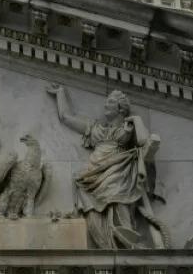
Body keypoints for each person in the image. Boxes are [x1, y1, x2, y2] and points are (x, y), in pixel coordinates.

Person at [47, 84, 167, 249]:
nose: (105, 104)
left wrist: (137, 119)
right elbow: (66, 117)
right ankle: (105, 248)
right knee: (93, 217)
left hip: (118, 173)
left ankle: (127, 249)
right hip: (92, 177)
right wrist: (60, 93)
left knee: (120, 213)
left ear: (120, 108)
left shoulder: (128, 128)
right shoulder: (95, 128)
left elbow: (143, 141)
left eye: (110, 102)